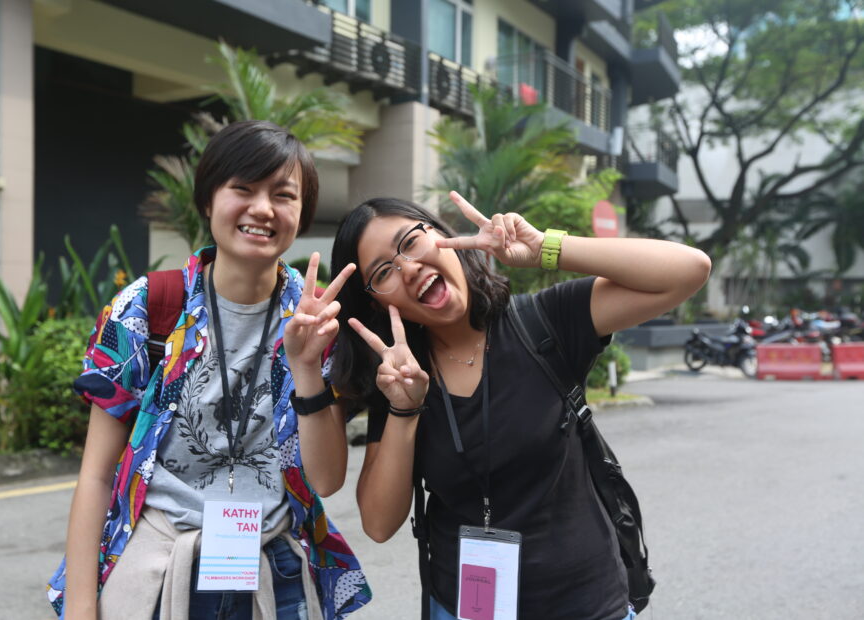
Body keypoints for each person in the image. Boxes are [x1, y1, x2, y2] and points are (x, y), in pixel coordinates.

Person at [330, 193, 711, 620]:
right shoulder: (400, 376)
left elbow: (689, 269)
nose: (408, 267)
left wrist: (546, 248)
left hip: (588, 605)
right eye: (384, 271)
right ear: (378, 302)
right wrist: (404, 410)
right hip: (463, 609)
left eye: (411, 241)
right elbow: (378, 524)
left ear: (440, 235)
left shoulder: (543, 322)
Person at [47, 120, 371, 620]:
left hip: (276, 571)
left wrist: (307, 367)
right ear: (207, 200)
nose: (262, 209)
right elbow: (96, 475)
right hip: (157, 571)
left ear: (302, 212)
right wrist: (80, 609)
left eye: (283, 195)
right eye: (243, 188)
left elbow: (326, 481)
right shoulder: (146, 308)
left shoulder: (319, 321)